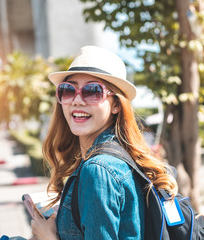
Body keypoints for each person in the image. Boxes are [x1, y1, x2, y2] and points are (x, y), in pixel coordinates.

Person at [30, 45, 178, 240]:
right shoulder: (119, 157)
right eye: (68, 90)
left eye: (92, 91)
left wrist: (49, 238)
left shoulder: (98, 170)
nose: (77, 100)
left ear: (116, 104)